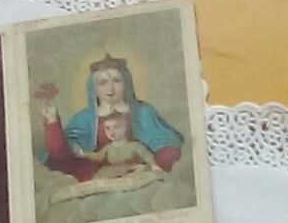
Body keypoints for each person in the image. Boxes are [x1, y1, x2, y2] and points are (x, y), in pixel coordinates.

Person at [37, 54, 183, 183]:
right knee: (63, 163)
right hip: (99, 171)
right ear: (93, 88)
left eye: (117, 81)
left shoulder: (143, 111)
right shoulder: (84, 118)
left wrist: (149, 166)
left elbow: (167, 144)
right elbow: (61, 154)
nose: (110, 88)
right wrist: (52, 121)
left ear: (126, 83)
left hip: (139, 166)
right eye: (103, 83)